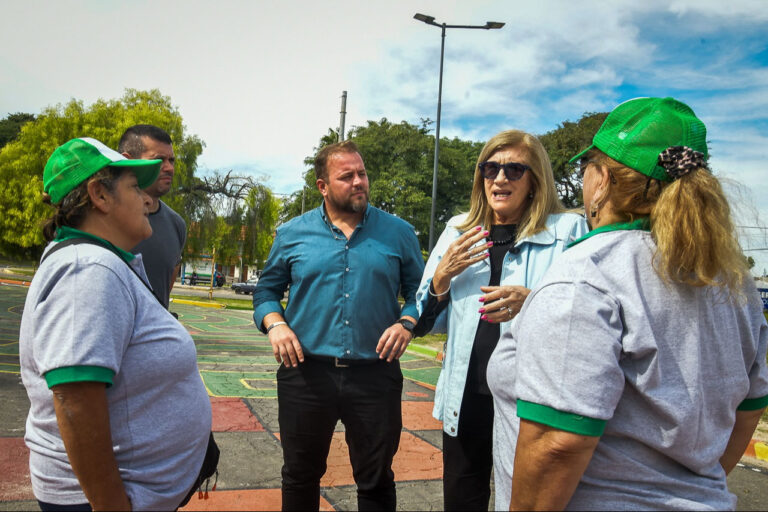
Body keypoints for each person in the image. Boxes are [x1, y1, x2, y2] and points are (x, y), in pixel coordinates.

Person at [488, 97, 768, 510]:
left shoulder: (588, 273)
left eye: (587, 170)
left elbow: (557, 444)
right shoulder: (733, 280)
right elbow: (747, 412)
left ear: (601, 180)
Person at [19, 138, 214, 510]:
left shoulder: (98, 261)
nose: (146, 200)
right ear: (100, 196)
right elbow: (75, 398)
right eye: (134, 187)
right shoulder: (87, 270)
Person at [414, 129, 587, 510]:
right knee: (462, 501)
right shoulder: (458, 231)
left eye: (514, 170)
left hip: (530, 400)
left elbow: (585, 317)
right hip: (466, 397)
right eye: (490, 168)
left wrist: (533, 301)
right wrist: (441, 279)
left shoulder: (568, 232)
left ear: (535, 180)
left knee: (526, 503)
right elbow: (423, 324)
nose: (500, 178)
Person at [252, 140, 424, 511]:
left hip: (375, 376)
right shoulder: (292, 234)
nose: (359, 181)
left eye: (362, 173)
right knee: (299, 474)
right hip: (305, 374)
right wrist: (275, 324)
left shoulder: (398, 233)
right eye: (347, 176)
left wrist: (407, 322)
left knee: (376, 478)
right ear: (322, 186)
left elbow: (420, 293)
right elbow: (266, 290)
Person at [119, 124, 186, 309]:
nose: (169, 168)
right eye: (159, 160)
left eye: (171, 160)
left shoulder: (177, 225)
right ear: (128, 161)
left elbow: (164, 291)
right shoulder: (105, 218)